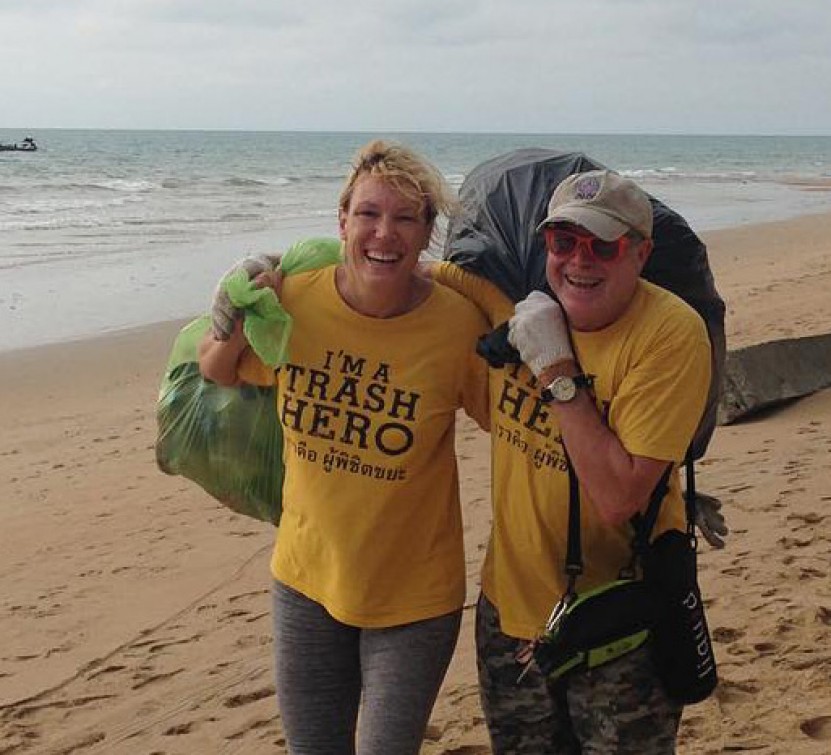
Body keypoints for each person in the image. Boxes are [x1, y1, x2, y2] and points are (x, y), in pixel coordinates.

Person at [200, 139, 490, 755]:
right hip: (306, 581)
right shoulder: (297, 301)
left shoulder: (458, 326)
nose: (384, 233)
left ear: (426, 233)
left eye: (405, 217)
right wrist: (231, 309)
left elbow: (515, 425)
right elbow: (220, 370)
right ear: (343, 222)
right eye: (369, 214)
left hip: (414, 598)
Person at [431, 169, 712, 753]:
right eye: (564, 242)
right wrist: (277, 273)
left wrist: (556, 370)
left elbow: (619, 496)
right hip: (509, 613)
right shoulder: (517, 309)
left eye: (602, 245)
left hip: (622, 621)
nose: (580, 261)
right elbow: (397, 263)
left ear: (640, 253)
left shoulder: (669, 335)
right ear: (545, 248)